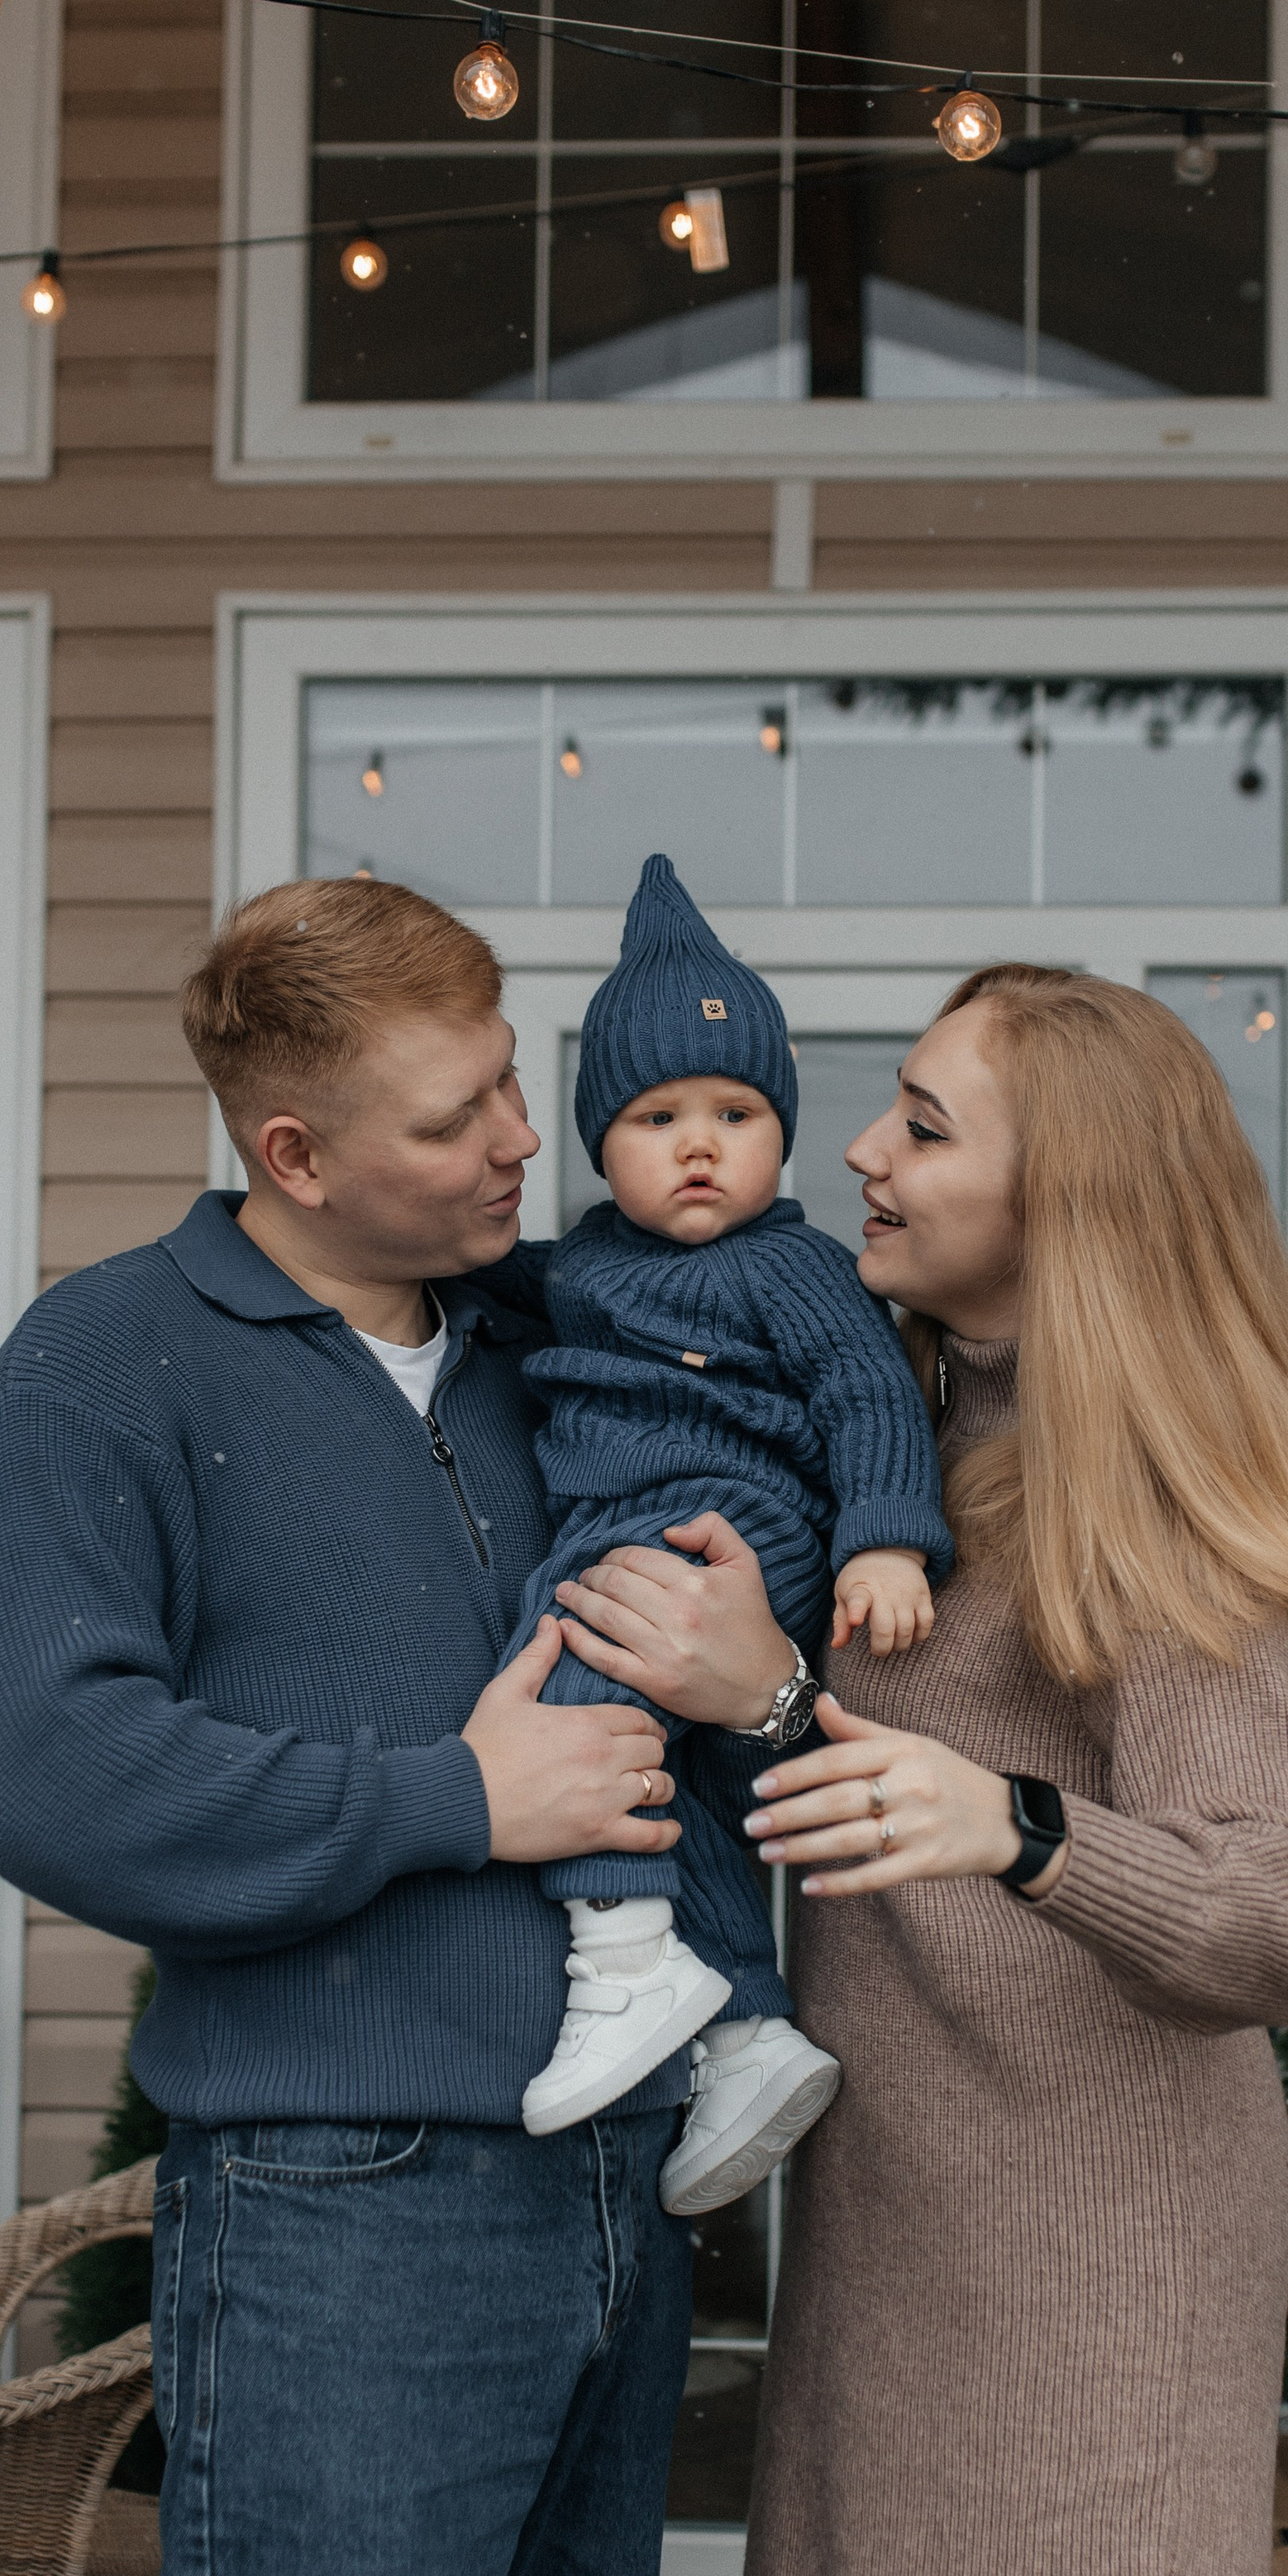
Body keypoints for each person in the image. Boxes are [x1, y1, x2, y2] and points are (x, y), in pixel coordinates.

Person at [0, 876, 811, 2576]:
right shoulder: (105, 1366)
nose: (525, 1138)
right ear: (292, 1154)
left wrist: (770, 1677)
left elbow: (781, 1547)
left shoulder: (567, 1337)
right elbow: (50, 1770)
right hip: (354, 2203)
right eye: (456, 1116)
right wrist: (454, 1801)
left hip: (626, 2179)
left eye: (512, 1074)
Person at [730, 966, 1288, 2576]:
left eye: (921, 1123)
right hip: (924, 2241)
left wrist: (1016, 1828)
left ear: (1063, 1199)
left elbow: (1284, 1921)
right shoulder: (902, 1419)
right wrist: (742, 1690)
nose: (859, 1151)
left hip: (1100, 2284)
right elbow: (880, 1760)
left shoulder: (1144, 1497)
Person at [493, 854, 954, 2217]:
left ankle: (628, 1964)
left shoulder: (796, 1267)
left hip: (741, 1526)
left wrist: (886, 1542)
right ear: (598, 1147)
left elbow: (871, 1400)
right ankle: (747, 2030)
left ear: (783, 1127)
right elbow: (482, 1276)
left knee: (573, 1675)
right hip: (642, 1527)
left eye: (736, 1111)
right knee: (667, 1782)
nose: (699, 1144)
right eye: (654, 1117)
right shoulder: (586, 1265)